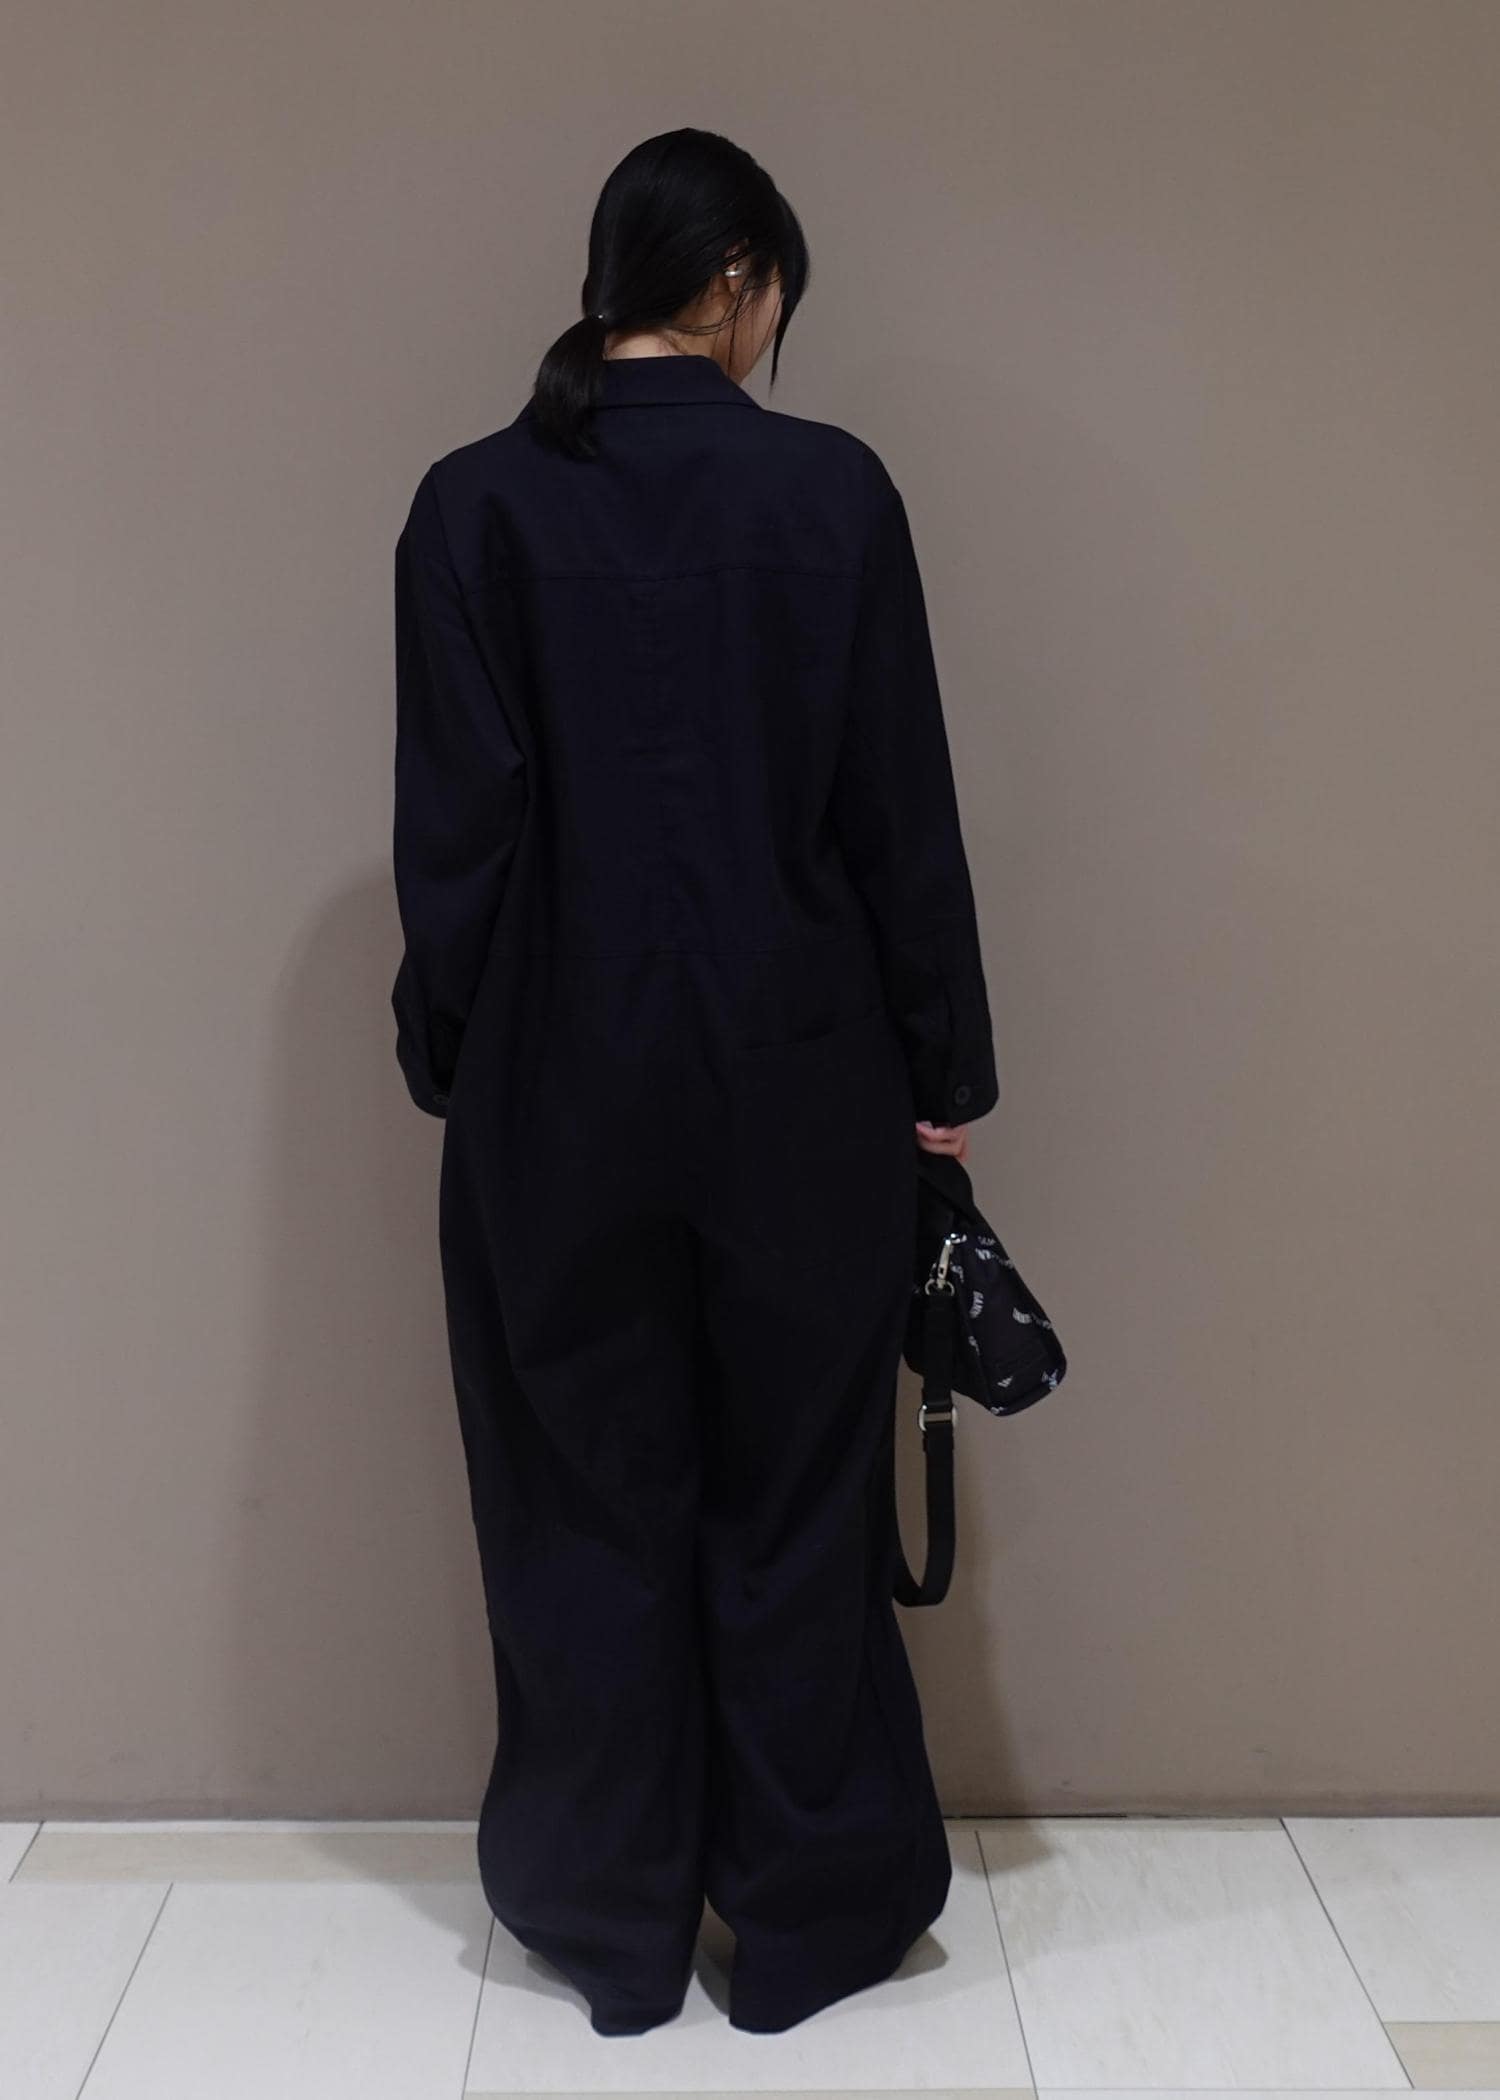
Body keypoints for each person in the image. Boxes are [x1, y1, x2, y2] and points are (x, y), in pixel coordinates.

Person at [388, 126, 998, 2038]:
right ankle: (807, 1927)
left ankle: (612, 1926)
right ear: (736, 277)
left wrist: (449, 1060)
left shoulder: (472, 509)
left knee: (580, 1503)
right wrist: (944, 1067)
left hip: (556, 1099)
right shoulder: (833, 496)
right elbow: (897, 813)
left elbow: (459, 842)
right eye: (773, 296)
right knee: (796, 1503)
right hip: (801, 1095)